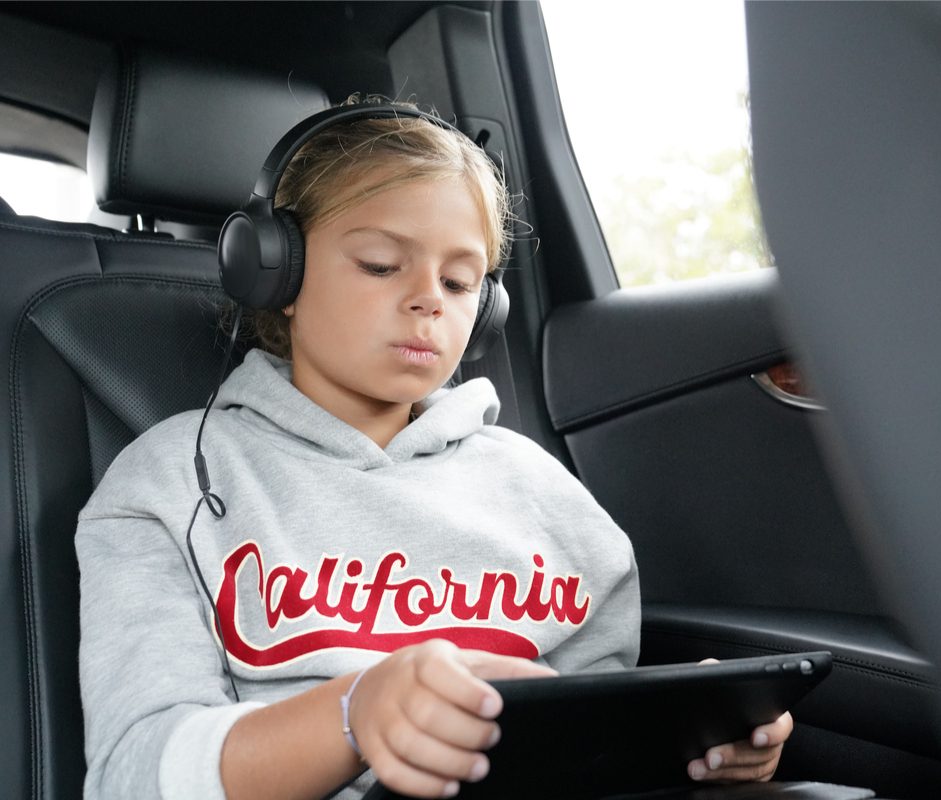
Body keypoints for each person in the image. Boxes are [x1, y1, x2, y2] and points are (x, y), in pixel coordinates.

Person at [75, 98, 793, 800]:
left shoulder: (544, 495)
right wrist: (354, 712)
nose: (429, 299)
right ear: (276, 271)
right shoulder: (170, 486)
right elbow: (134, 772)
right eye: (382, 264)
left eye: (459, 281)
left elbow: (589, 729)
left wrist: (690, 737)